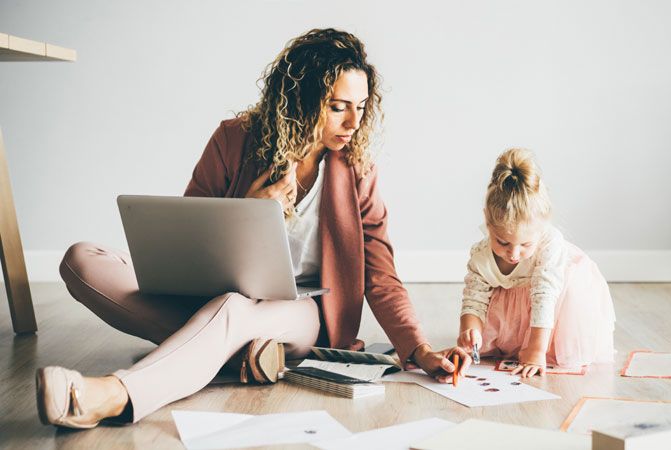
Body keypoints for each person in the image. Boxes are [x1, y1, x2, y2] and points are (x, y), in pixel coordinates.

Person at [35, 28, 468, 429]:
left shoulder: (358, 169)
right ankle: (241, 354)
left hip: (302, 308)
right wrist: (246, 211)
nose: (354, 123)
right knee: (82, 261)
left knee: (231, 310)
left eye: (360, 107)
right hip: (215, 294)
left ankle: (112, 394)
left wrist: (419, 349)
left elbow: (380, 273)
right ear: (301, 97)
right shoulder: (233, 140)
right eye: (338, 107)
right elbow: (187, 234)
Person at [457, 148, 615, 377]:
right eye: (503, 242)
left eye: (525, 245)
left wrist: (536, 350)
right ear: (488, 223)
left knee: (558, 301)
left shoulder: (549, 245)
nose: (513, 254)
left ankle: (536, 343)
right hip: (517, 302)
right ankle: (516, 341)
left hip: (554, 298)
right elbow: (474, 299)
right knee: (481, 321)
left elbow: (544, 296)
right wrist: (470, 330)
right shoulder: (481, 255)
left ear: (540, 229)